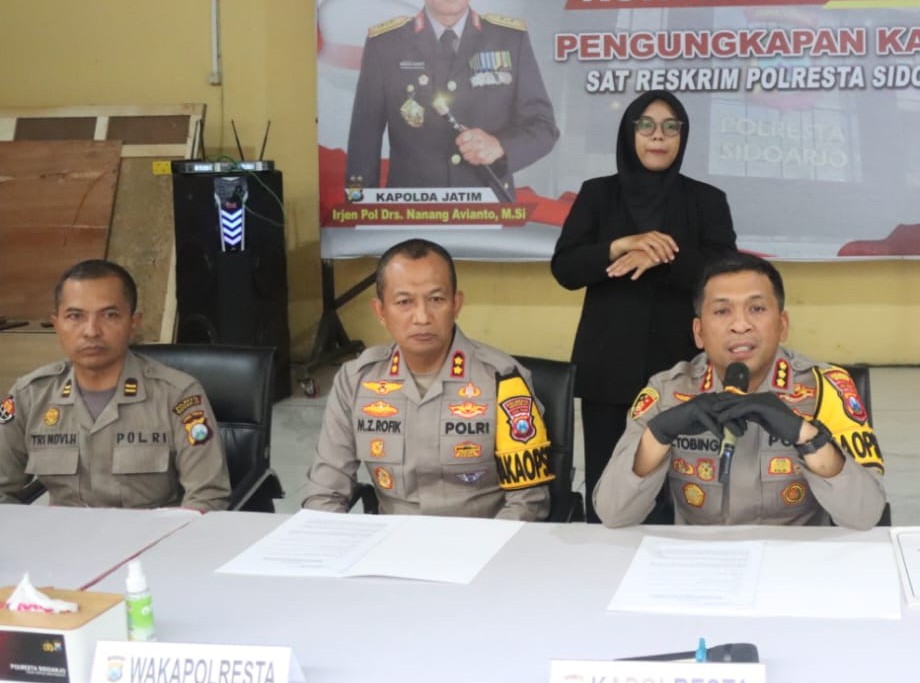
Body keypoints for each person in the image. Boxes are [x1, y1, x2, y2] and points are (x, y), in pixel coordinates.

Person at [592, 253, 886, 529]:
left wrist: (806, 436)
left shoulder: (824, 389)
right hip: (699, 558)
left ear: (782, 325)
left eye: (756, 309)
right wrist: (658, 434)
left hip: (792, 558)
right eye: (722, 311)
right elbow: (613, 513)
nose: (741, 325)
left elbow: (865, 514)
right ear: (698, 332)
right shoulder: (668, 391)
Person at [552, 90, 738, 519]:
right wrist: (620, 246)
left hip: (684, 369)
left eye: (671, 127)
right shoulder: (598, 194)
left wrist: (663, 255)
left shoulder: (706, 200)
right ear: (629, 133)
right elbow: (566, 269)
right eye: (647, 126)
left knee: (686, 487)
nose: (659, 136)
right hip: (608, 369)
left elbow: (724, 276)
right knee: (610, 488)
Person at [303, 239, 553, 519]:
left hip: (482, 536)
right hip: (392, 539)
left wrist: (484, 546)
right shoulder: (356, 380)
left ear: (456, 304)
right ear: (380, 311)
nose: (422, 317)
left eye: (436, 299)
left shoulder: (502, 380)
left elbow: (527, 501)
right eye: (404, 302)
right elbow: (325, 492)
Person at [345, 0, 558, 196]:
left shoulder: (509, 40)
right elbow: (363, 141)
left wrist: (500, 147)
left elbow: (544, 128)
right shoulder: (386, 45)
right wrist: (359, 210)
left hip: (489, 207)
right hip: (413, 210)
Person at [0, 260, 230, 510]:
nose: (91, 331)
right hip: (62, 533)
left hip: (152, 532)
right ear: (56, 324)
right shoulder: (29, 396)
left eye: (110, 315)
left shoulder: (177, 395)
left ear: (133, 322)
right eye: (75, 316)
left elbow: (208, 496)